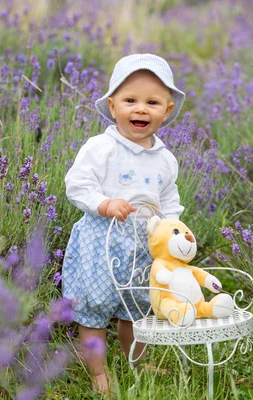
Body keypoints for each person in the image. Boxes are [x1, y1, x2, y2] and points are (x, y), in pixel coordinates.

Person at [62, 53, 186, 394]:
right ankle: (99, 373)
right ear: (113, 105)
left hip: (143, 244)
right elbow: (77, 184)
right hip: (101, 240)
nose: (141, 109)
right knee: (95, 309)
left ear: (168, 110)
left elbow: (169, 200)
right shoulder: (101, 148)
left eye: (152, 102)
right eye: (130, 100)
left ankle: (136, 360)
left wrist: (172, 230)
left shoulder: (165, 159)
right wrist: (104, 204)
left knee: (136, 307)